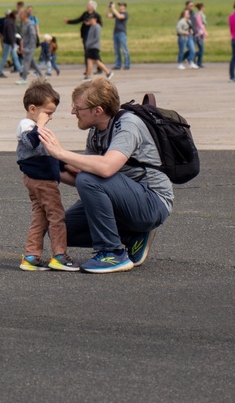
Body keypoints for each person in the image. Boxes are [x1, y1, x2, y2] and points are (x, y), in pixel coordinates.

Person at [37, 77, 172, 274]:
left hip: (152, 201)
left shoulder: (128, 125)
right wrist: (46, 170)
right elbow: (84, 177)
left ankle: (113, 253)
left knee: (89, 177)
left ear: (98, 111)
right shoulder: (96, 131)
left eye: (78, 107)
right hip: (123, 200)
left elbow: (106, 168)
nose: (73, 112)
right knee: (60, 231)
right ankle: (132, 237)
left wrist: (61, 153)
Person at [16, 80, 79, 272]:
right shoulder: (28, 126)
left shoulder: (35, 127)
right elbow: (31, 143)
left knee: (41, 217)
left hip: (38, 179)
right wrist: (40, 125)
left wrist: (68, 165)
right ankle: (59, 255)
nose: (50, 117)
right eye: (48, 113)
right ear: (33, 108)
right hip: (42, 181)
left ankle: (31, 256)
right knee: (57, 216)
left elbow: (48, 153)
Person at [66, 1, 102, 76]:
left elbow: (100, 24)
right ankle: (88, 69)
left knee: (94, 54)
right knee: (87, 53)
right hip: (85, 35)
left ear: (92, 7)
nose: (87, 6)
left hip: (92, 36)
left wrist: (90, 23)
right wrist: (69, 21)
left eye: (88, 5)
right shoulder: (85, 14)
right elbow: (78, 20)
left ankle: (99, 68)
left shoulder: (96, 15)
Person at [17, 8, 43, 85]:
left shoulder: (30, 24)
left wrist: (29, 47)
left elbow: (33, 36)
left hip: (29, 47)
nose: (19, 16)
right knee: (32, 63)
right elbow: (23, 37)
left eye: (21, 15)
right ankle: (42, 76)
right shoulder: (24, 24)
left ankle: (23, 78)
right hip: (25, 46)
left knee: (26, 62)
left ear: (25, 15)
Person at [83, 14, 112, 81]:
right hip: (91, 47)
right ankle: (107, 72)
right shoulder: (92, 27)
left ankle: (88, 76)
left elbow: (96, 38)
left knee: (93, 61)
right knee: (94, 61)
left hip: (94, 47)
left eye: (91, 19)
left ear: (95, 19)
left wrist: (89, 44)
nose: (90, 20)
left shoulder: (97, 27)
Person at [0, 10, 21, 78]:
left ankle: (20, 70)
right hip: (8, 43)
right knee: (5, 57)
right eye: (17, 15)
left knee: (15, 57)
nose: (18, 16)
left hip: (8, 42)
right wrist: (12, 43)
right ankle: (0, 72)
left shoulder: (9, 21)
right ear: (14, 15)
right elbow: (10, 34)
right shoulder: (10, 23)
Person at [107, 1, 130, 70]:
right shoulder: (117, 13)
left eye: (121, 5)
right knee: (117, 50)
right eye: (119, 5)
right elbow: (107, 15)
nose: (120, 7)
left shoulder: (126, 14)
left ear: (124, 7)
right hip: (116, 32)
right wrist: (108, 8)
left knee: (124, 49)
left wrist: (113, 9)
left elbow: (120, 17)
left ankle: (127, 64)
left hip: (122, 33)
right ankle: (118, 64)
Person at [193, 2, 208, 68]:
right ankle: (193, 58)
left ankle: (197, 62)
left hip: (200, 32)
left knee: (201, 48)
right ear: (201, 8)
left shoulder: (197, 14)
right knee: (201, 49)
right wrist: (204, 32)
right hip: (199, 33)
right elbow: (200, 24)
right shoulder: (199, 14)